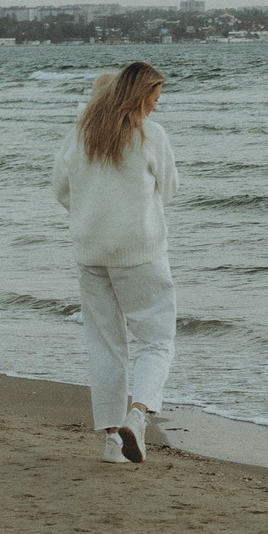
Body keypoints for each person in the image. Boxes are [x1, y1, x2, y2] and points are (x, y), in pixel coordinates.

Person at [51, 61, 180, 464]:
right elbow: (170, 189)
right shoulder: (150, 136)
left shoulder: (78, 137)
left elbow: (61, 191)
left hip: (91, 252)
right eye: (155, 99)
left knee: (105, 344)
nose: (157, 108)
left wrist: (92, 213)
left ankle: (112, 443)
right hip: (139, 253)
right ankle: (138, 416)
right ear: (139, 96)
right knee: (156, 339)